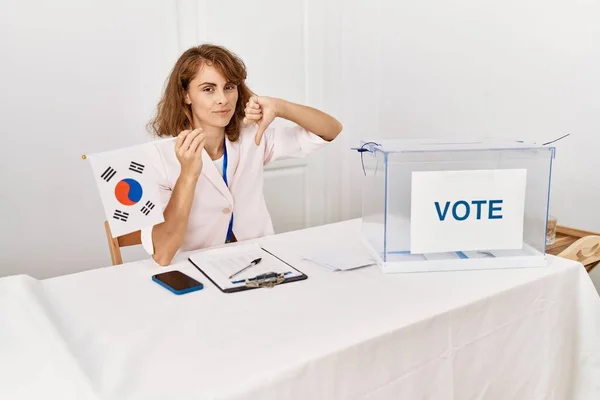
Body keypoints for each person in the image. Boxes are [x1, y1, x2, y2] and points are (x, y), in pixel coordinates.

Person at [142, 44, 342, 266]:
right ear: (186, 95)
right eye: (208, 89)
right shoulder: (156, 158)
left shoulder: (253, 138)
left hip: (260, 262)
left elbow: (331, 130)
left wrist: (280, 107)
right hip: (195, 271)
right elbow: (162, 254)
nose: (223, 99)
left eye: (229, 87)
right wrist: (188, 175)